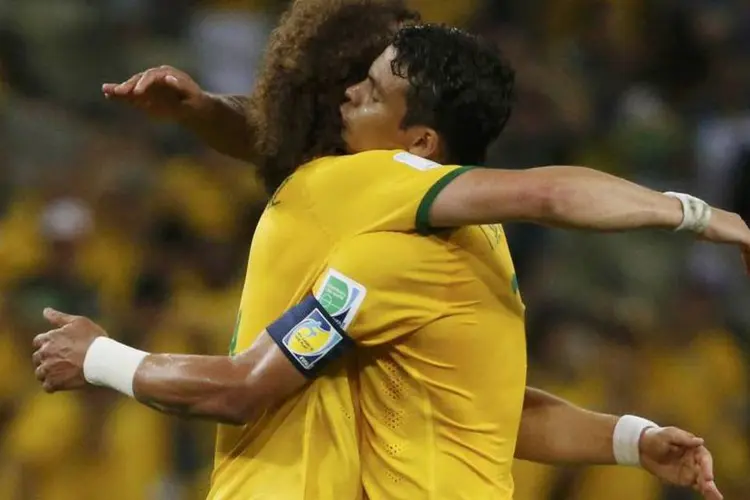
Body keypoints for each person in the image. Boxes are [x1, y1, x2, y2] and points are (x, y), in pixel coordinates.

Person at [41, 5, 745, 500]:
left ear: (420, 146)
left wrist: (708, 217)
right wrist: (631, 438)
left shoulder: (370, 193)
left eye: (370, 89)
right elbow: (494, 411)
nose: (347, 94)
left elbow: (550, 194)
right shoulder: (436, 251)